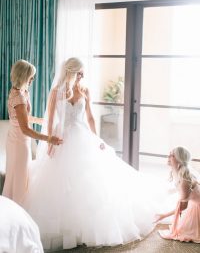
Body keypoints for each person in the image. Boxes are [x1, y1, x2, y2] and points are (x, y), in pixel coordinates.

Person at [23, 57, 166, 250]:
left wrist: (96, 139)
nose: (82, 76)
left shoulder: (84, 90)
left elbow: (89, 117)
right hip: (62, 137)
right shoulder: (56, 91)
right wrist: (49, 140)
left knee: (89, 183)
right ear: (71, 72)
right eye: (80, 73)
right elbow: (50, 119)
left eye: (83, 73)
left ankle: (84, 230)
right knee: (61, 184)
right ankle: (68, 230)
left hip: (82, 137)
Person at [2, 59, 63, 206]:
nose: (33, 79)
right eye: (31, 76)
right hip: (18, 142)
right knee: (19, 178)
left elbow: (24, 118)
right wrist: (48, 138)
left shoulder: (20, 91)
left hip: (17, 139)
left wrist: (42, 120)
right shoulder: (19, 97)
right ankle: (17, 209)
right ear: (23, 76)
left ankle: (11, 207)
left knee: (17, 176)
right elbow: (25, 129)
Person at [155, 146, 200, 243]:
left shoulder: (184, 180)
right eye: (169, 154)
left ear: (179, 160)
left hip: (197, 205)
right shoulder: (177, 172)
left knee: (184, 233)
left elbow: (183, 207)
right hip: (195, 203)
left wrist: (164, 215)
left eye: (172, 155)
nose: (169, 156)